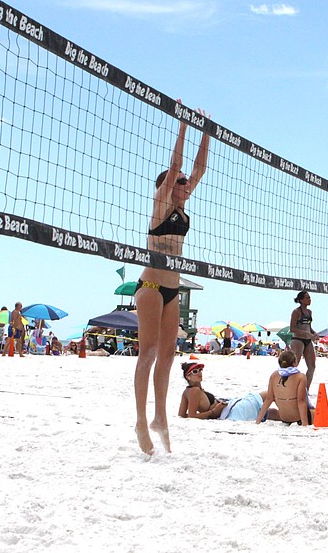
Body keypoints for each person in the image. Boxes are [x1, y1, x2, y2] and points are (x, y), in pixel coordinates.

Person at [133, 103, 210, 455]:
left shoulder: (182, 205)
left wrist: (207, 130)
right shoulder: (161, 206)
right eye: (177, 182)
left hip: (172, 288)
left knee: (167, 356)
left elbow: (198, 169)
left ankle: (160, 418)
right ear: (165, 185)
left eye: (183, 183)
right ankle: (139, 420)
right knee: (147, 354)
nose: (183, 183)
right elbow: (179, 166)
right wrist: (183, 124)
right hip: (150, 286)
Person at [256, 350, 311, 426]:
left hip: (284, 418)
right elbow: (301, 401)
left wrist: (258, 421)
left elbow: (269, 399)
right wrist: (305, 424)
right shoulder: (301, 377)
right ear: (294, 362)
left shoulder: (274, 375)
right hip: (298, 418)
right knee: (327, 416)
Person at [289, 290, 318, 390]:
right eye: (307, 297)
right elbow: (292, 328)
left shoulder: (309, 312)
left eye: (309, 297)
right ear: (301, 300)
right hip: (297, 340)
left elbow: (308, 327)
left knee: (312, 366)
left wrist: (314, 333)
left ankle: (305, 389)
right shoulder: (296, 312)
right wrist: (306, 333)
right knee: (294, 365)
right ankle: (289, 387)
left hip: (307, 340)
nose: (310, 299)